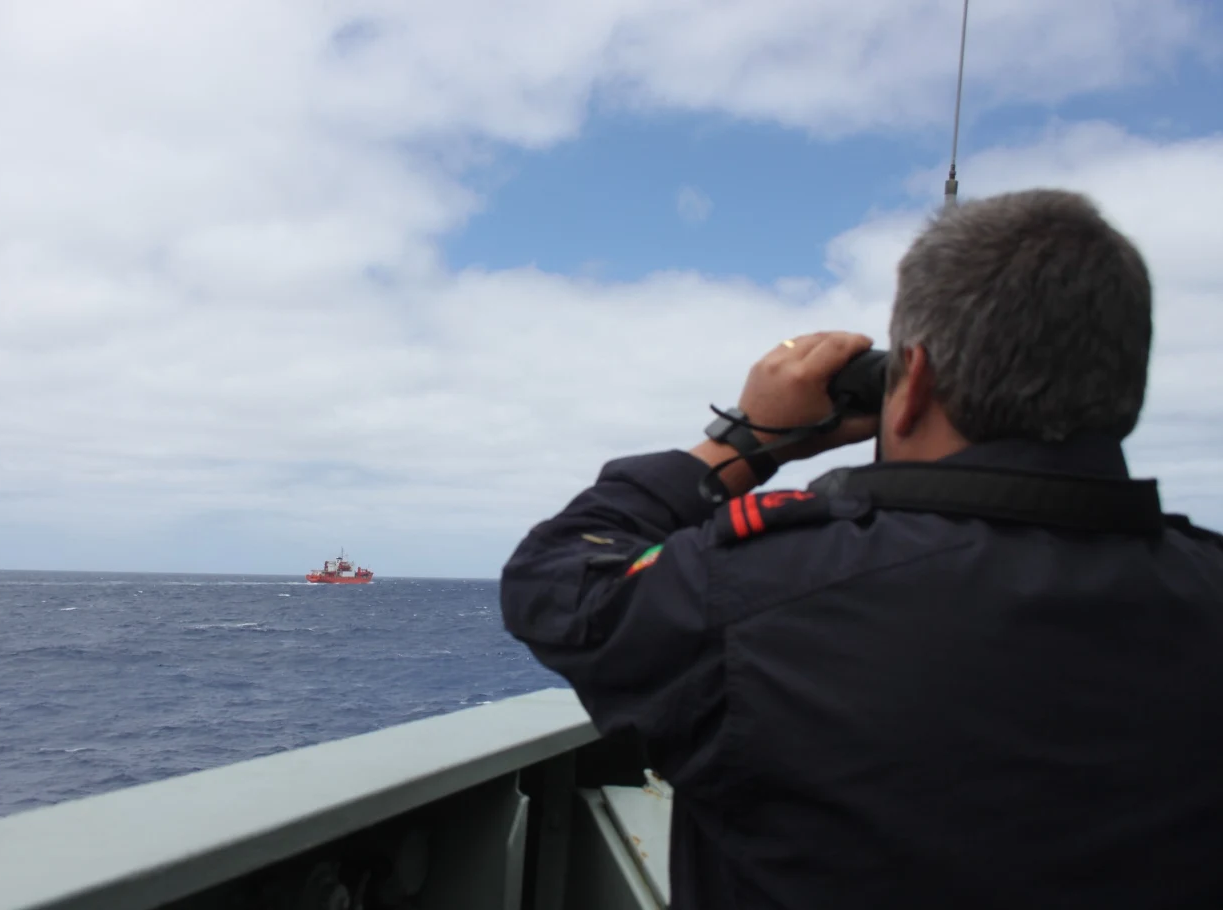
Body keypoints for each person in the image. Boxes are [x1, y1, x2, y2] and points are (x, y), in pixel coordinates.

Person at [499, 188, 1223, 909]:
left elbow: (557, 580)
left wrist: (743, 441)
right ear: (1124, 393)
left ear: (912, 383)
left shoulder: (760, 594)